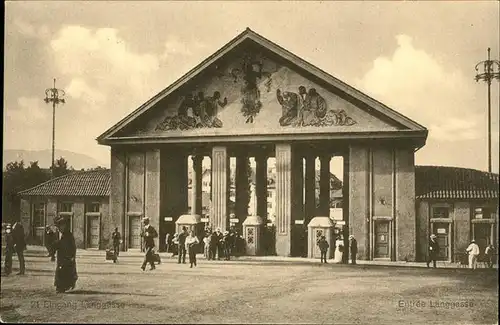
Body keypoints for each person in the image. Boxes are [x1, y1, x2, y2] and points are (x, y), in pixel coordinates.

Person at [53, 215, 78, 293]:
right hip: (61, 256)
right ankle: (60, 286)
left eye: (60, 226)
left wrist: (72, 256)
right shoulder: (60, 234)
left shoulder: (68, 235)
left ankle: (62, 287)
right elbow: (57, 244)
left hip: (67, 256)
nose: (59, 228)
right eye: (58, 227)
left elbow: (72, 247)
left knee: (65, 271)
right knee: (61, 270)